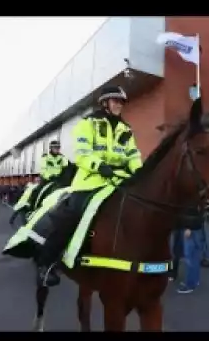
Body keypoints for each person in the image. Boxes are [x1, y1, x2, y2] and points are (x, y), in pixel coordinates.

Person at [29, 86, 143, 287]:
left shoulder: (126, 129)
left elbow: (133, 155)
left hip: (120, 179)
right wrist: (99, 166)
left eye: (121, 102)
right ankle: (46, 263)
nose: (119, 105)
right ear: (104, 103)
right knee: (71, 214)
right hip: (91, 180)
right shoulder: (87, 124)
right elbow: (82, 153)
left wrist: (139, 173)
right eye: (115, 100)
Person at [28, 140, 69, 209]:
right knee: (37, 190)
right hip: (47, 178)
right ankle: (32, 207)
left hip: (58, 179)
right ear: (51, 148)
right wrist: (49, 176)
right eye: (55, 148)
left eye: (58, 148)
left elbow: (66, 167)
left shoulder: (62, 157)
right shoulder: (45, 157)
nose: (57, 149)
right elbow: (43, 169)